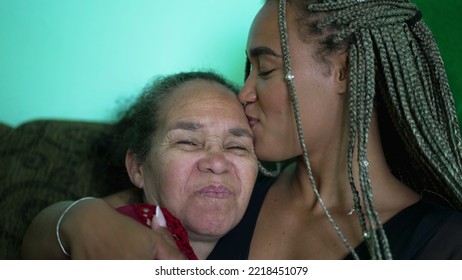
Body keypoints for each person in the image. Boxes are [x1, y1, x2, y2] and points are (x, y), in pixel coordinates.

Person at [23, 0, 462, 260]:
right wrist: (78, 220)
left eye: (264, 68)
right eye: (246, 70)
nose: (245, 92)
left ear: (344, 73)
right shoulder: (231, 187)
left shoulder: (441, 241)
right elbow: (48, 236)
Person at [21, 71, 258, 259]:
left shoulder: (269, 213)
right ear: (137, 168)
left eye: (237, 146)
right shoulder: (115, 233)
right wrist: (79, 218)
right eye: (188, 141)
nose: (217, 163)